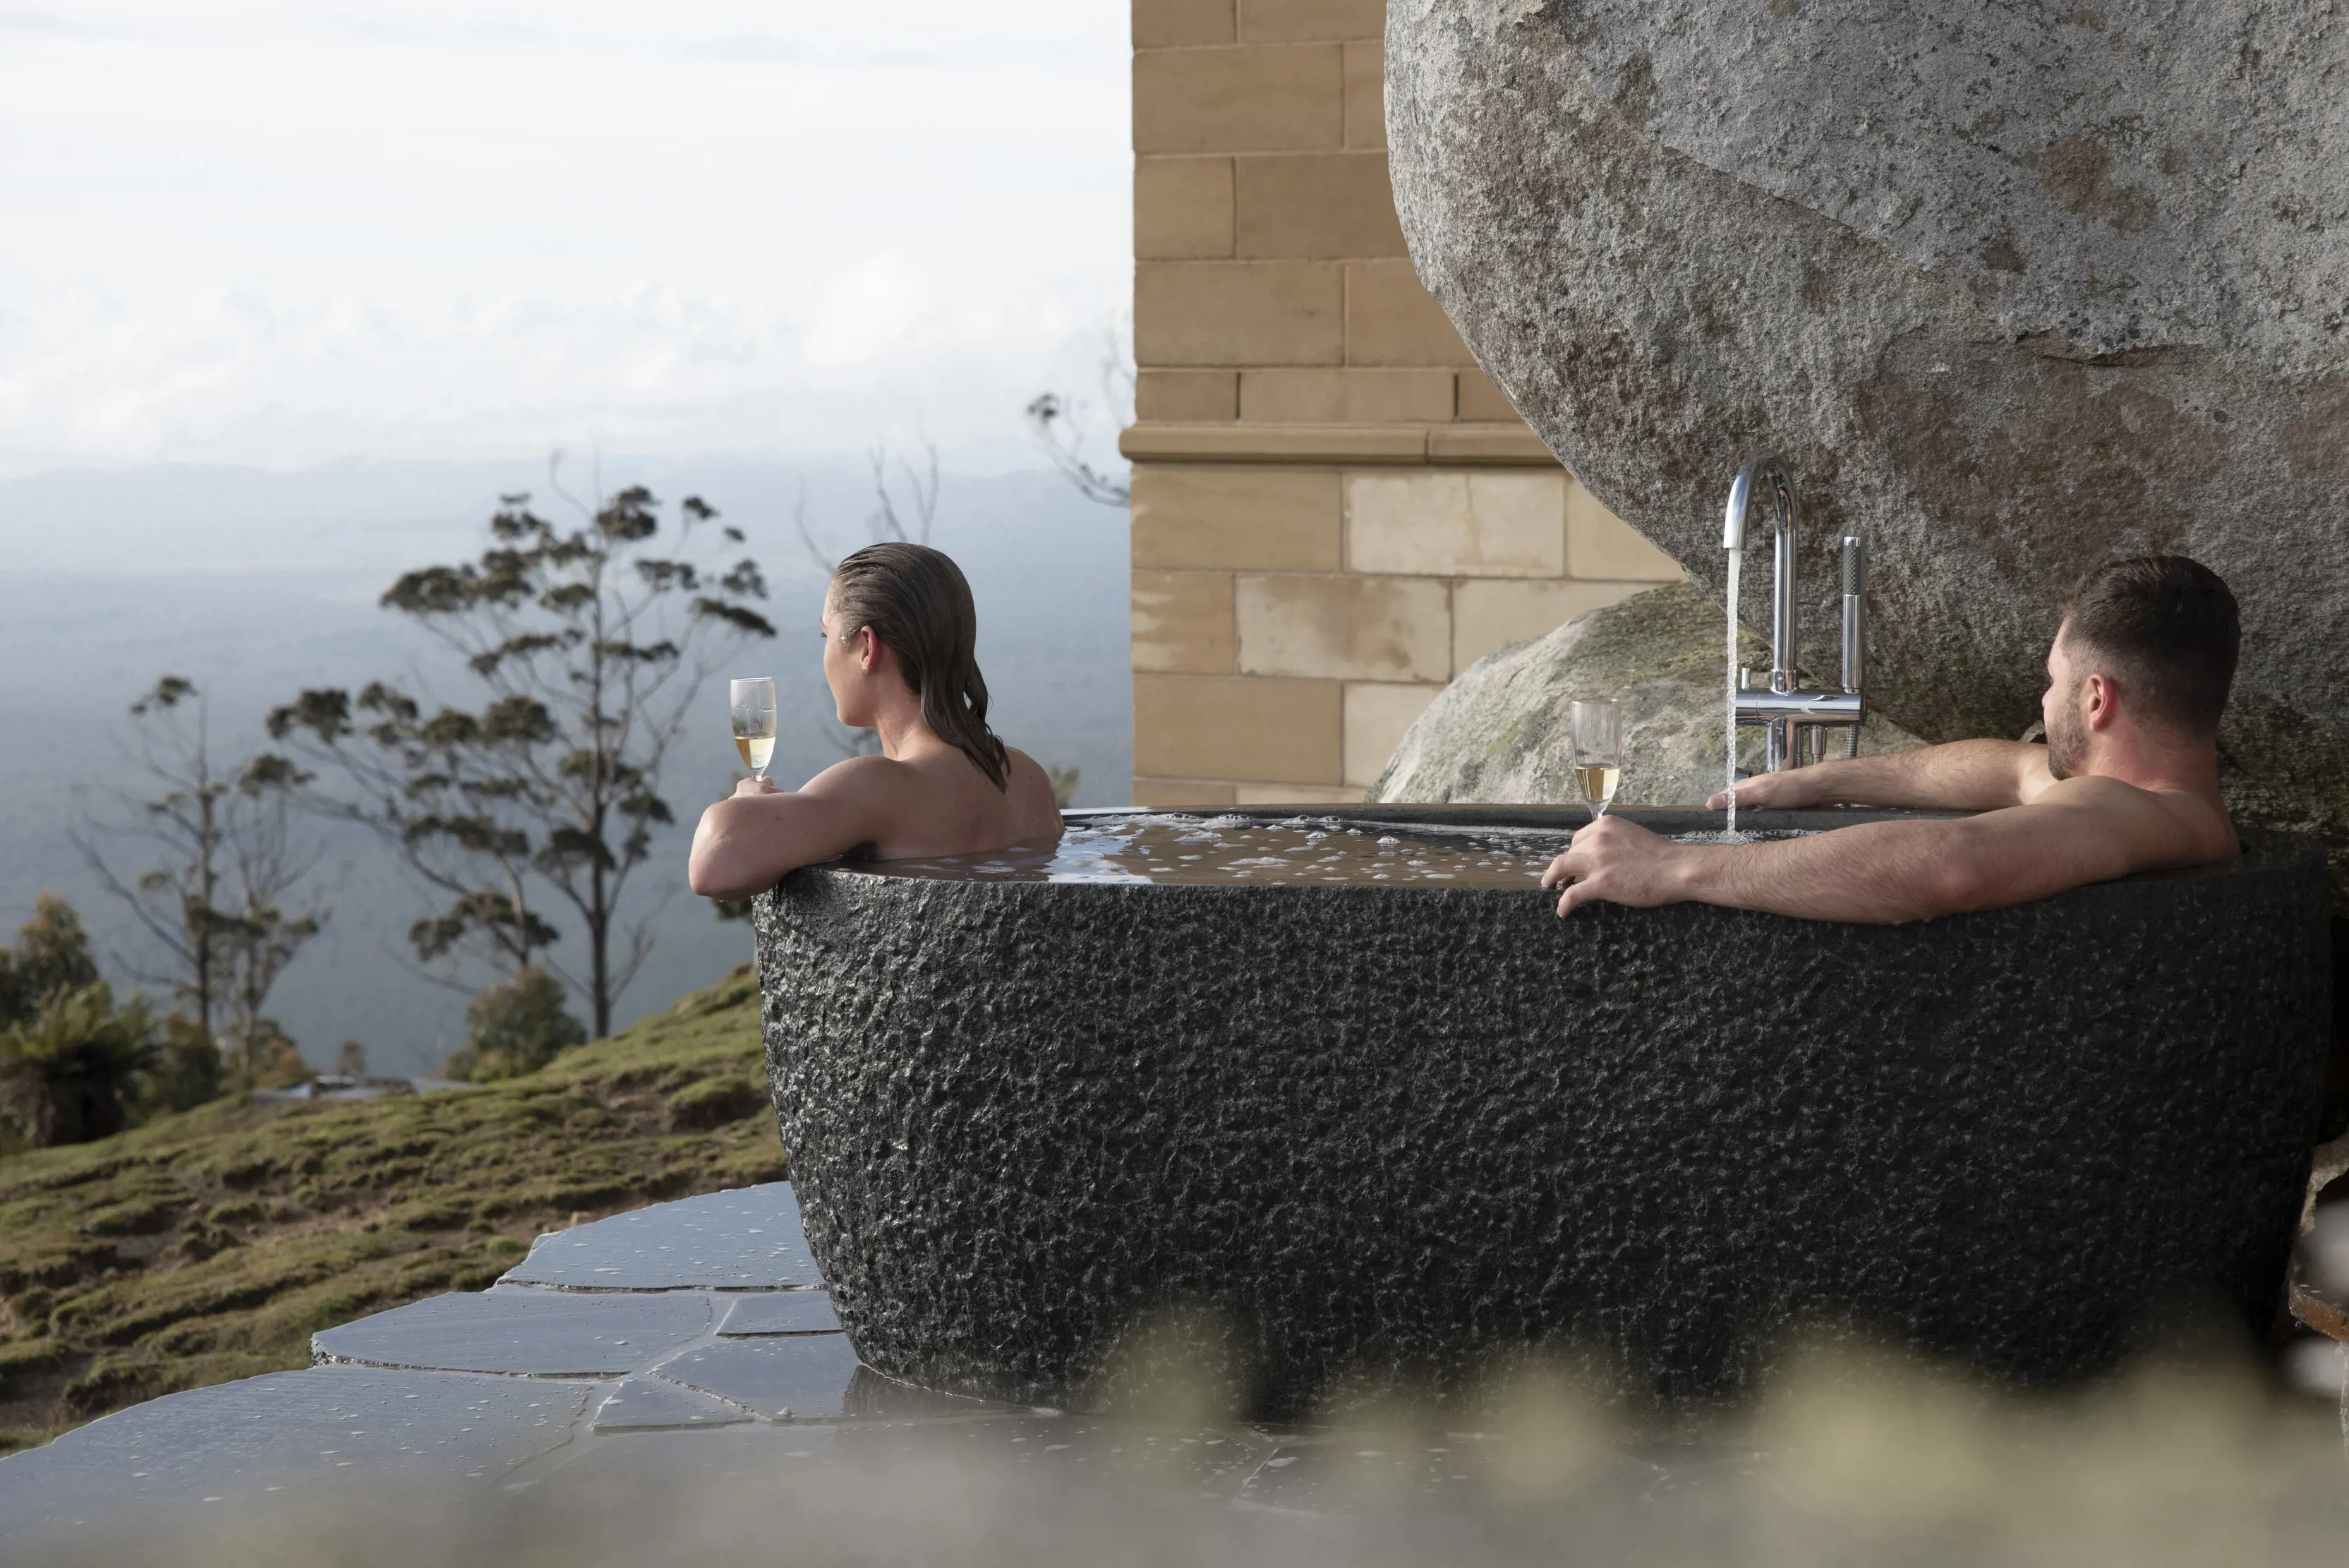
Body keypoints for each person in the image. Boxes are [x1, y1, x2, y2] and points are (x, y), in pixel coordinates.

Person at [1540, 555, 2240, 922]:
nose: (2042, 697)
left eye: (2052, 678)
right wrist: (1821, 781)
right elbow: (2008, 769)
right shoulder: (2150, 801)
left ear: (2095, 698)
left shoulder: (2128, 814)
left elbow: (1954, 864)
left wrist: (1674, 868)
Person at [688, 542, 1063, 901]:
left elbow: (713, 862)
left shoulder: (880, 786)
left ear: (867, 648)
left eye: (827, 634)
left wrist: (750, 802)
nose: (825, 652)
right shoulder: (1027, 779)